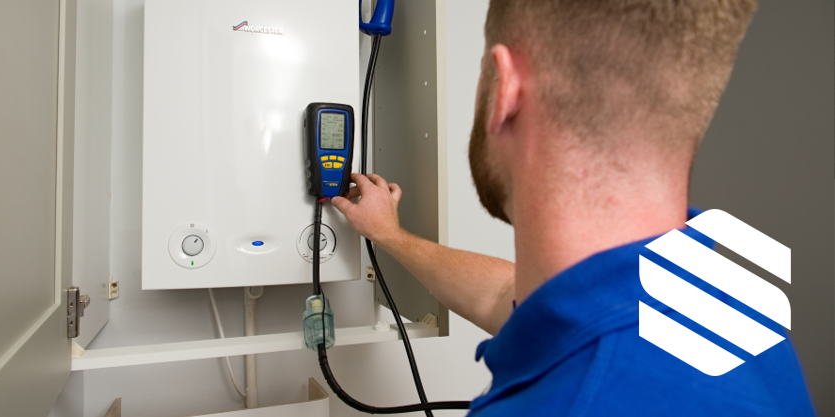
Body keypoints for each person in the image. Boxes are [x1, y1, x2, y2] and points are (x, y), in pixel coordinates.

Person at [332, 1, 816, 415]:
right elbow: (506, 296)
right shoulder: (731, 307)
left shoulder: (567, 402)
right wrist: (390, 235)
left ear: (504, 91)